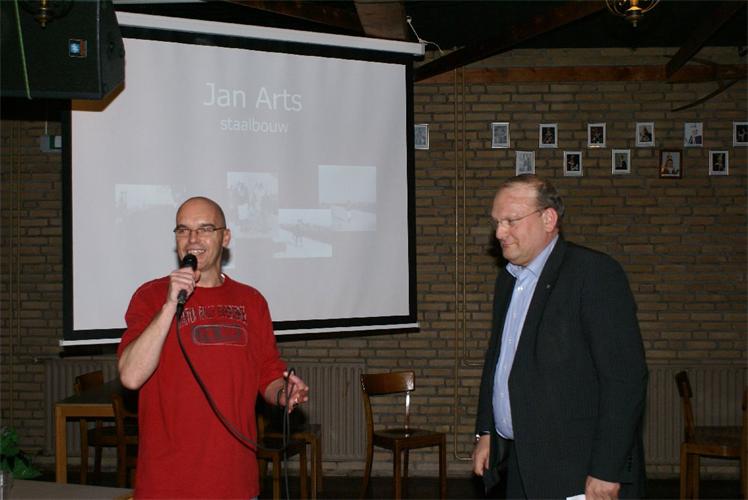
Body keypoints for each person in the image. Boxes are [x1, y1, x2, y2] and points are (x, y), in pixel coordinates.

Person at [118, 196, 309, 498]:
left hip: (235, 483)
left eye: (205, 229)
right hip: (167, 484)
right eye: (183, 230)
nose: (192, 239)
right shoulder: (151, 296)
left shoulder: (252, 301)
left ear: (225, 237)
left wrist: (283, 392)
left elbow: (268, 375)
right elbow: (130, 376)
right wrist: (169, 304)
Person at [472, 175, 647, 499]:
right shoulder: (508, 280)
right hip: (522, 463)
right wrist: (487, 432)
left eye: (511, 221)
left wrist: (607, 469)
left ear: (548, 219)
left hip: (578, 470)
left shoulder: (593, 274)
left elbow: (625, 380)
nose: (499, 233)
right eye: (496, 222)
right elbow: (498, 361)